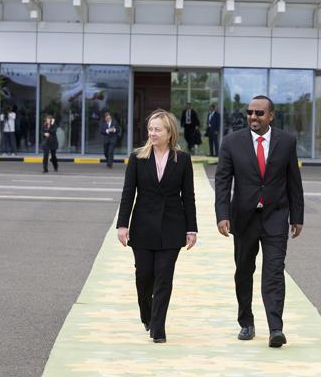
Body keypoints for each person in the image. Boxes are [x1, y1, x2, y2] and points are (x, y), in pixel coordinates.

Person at [215, 95, 304, 348]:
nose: (253, 117)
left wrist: (297, 216)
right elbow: (223, 182)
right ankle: (247, 322)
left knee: (274, 272)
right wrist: (223, 215)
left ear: (271, 116)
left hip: (276, 215)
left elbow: (293, 181)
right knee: (244, 271)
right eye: (250, 112)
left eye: (259, 113)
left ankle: (276, 328)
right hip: (244, 218)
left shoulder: (286, 142)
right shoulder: (232, 143)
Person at [116, 109, 197, 343]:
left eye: (157, 129)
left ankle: (158, 328)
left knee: (164, 276)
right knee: (144, 275)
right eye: (150, 129)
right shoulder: (138, 157)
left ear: (169, 132)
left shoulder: (182, 160)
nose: (152, 133)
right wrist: (123, 225)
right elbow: (128, 193)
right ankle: (147, 314)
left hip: (172, 227)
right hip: (142, 227)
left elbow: (188, 197)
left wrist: (191, 229)